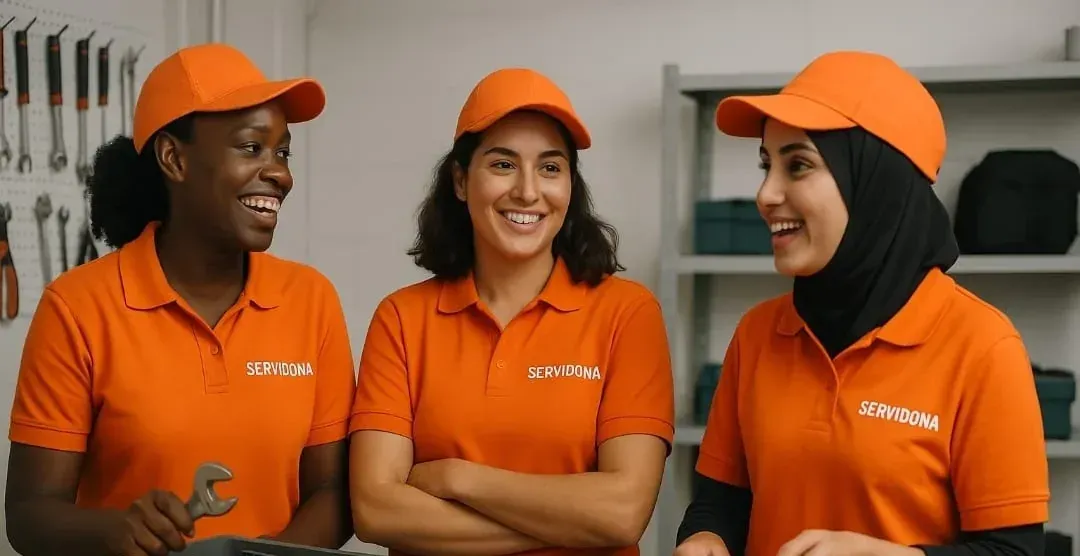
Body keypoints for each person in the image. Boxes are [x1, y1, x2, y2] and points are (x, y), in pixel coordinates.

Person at [673, 50, 1049, 556]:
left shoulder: (983, 345)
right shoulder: (757, 333)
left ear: (876, 183)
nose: (765, 194)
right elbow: (721, 501)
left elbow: (1015, 551)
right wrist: (704, 539)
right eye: (767, 165)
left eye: (798, 165)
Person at [5, 43, 356, 556]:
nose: (280, 174)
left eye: (282, 151)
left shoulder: (311, 300)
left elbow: (332, 492)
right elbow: (29, 514)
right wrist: (113, 530)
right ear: (174, 158)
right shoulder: (77, 308)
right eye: (251, 147)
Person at [347, 67, 675, 556]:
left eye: (550, 167)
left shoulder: (627, 313)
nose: (527, 191)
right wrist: (563, 527)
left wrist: (459, 478)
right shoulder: (401, 318)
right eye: (502, 165)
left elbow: (623, 514)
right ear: (460, 180)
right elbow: (376, 511)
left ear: (570, 184)